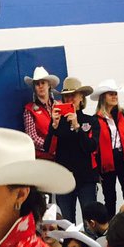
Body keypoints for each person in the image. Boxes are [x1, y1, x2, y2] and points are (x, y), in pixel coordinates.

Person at [51, 77, 99, 223]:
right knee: (67, 223)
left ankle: (91, 246)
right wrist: (53, 126)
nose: (69, 98)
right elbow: (48, 147)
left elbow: (91, 146)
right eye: (66, 96)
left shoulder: (91, 121)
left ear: (81, 97)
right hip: (64, 178)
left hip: (86, 179)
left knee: (90, 221)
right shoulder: (57, 122)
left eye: (73, 95)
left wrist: (78, 127)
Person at [92, 80, 124, 216]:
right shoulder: (96, 119)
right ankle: (111, 227)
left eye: (115, 94)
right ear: (103, 98)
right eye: (110, 94)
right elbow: (95, 146)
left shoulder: (123, 115)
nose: (114, 97)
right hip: (107, 162)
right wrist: (97, 169)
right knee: (110, 197)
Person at [22, 65, 60, 161]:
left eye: (43, 82)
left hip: (62, 155)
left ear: (49, 85)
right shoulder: (29, 109)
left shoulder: (60, 105)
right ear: (34, 88)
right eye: (37, 84)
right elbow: (32, 138)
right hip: (44, 159)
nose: (40, 86)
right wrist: (51, 148)